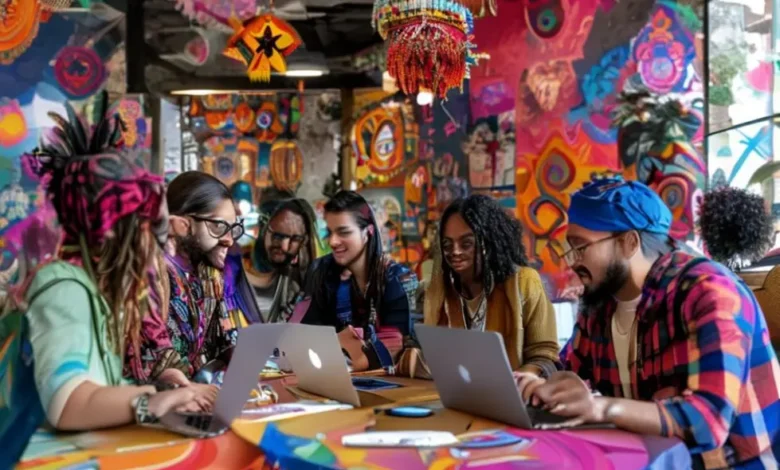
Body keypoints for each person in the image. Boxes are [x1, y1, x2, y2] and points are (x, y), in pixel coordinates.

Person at [0, 97, 209, 466]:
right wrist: (149, 400)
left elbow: (94, 391)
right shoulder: (63, 287)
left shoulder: (94, 293)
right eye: (154, 228)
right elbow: (68, 403)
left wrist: (162, 391)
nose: (164, 243)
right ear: (116, 230)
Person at [527, 177, 780, 469]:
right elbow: (570, 366)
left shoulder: (708, 290)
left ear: (628, 242)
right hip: (654, 459)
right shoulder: (602, 303)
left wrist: (602, 408)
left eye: (580, 247)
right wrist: (536, 380)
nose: (572, 261)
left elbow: (708, 419)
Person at [131, 171, 261, 385]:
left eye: (233, 228)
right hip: (154, 401)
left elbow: (222, 340)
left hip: (198, 394)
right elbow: (156, 358)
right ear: (183, 224)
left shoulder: (209, 273)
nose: (229, 241)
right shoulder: (152, 272)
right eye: (218, 227)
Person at [423, 195, 559, 380]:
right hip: (454, 396)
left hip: (514, 398)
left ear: (488, 242)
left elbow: (545, 354)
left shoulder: (525, 281)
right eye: (447, 245)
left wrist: (517, 381)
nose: (455, 251)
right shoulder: (439, 292)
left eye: (466, 243)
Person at [302, 191, 418, 372]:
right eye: (330, 232)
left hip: (390, 387)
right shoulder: (322, 272)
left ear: (368, 232)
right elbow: (304, 337)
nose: (333, 241)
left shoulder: (398, 279)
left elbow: (394, 351)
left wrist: (337, 346)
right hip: (330, 380)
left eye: (344, 232)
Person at [245, 196, 320, 322]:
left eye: (295, 239)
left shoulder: (300, 276)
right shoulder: (240, 265)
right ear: (263, 229)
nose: (285, 247)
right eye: (278, 236)